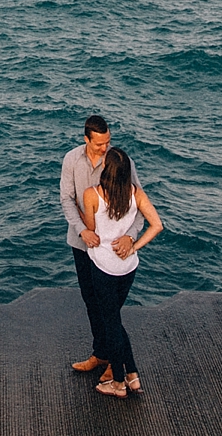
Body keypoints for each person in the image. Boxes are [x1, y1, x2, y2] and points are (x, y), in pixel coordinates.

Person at [60, 116, 141, 380]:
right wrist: (82, 230)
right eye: (99, 144)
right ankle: (101, 353)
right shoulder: (71, 160)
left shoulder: (119, 162)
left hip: (111, 251)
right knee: (90, 300)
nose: (104, 148)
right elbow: (67, 200)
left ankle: (117, 366)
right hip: (82, 244)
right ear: (86, 139)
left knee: (111, 311)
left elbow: (139, 203)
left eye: (108, 142)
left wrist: (130, 236)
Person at [82, 147, 162, 397]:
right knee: (114, 320)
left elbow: (91, 232)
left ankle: (118, 382)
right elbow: (157, 225)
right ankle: (132, 375)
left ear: (107, 169)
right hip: (128, 267)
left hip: (104, 267)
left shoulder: (92, 195)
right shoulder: (135, 193)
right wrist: (133, 245)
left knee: (111, 324)